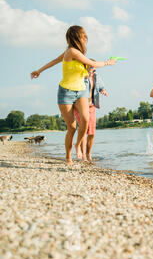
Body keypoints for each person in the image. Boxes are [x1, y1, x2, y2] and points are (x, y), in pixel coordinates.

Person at [30, 25, 116, 165]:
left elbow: (54, 61)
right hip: (66, 93)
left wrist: (39, 70)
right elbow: (91, 63)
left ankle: (78, 144)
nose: (86, 38)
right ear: (77, 37)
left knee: (85, 120)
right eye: (83, 35)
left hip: (81, 91)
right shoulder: (71, 52)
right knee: (72, 127)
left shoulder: (76, 53)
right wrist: (108, 62)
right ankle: (68, 156)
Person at [74, 64, 108, 162]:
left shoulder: (96, 77)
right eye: (89, 67)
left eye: (93, 68)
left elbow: (101, 87)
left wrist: (103, 91)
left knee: (92, 132)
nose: (91, 69)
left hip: (92, 106)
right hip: (80, 106)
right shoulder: (80, 76)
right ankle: (83, 155)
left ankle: (89, 154)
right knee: (83, 131)